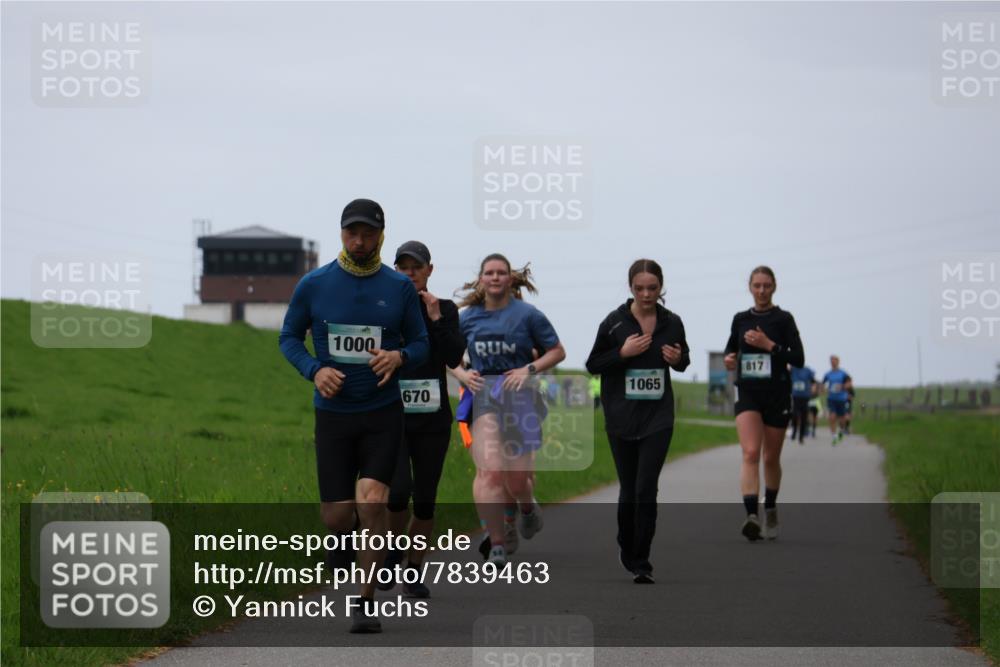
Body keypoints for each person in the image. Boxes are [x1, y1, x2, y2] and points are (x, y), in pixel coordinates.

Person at [279, 198, 429, 633]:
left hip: (382, 412)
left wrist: (399, 357)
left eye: (368, 234)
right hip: (333, 415)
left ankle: (364, 603)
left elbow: (421, 344)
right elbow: (289, 337)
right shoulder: (314, 284)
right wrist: (315, 369)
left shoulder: (398, 288)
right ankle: (341, 537)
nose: (359, 242)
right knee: (337, 515)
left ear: (381, 236)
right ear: (341, 233)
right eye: (352, 233)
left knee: (373, 500)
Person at [450, 254, 566, 566]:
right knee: (489, 471)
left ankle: (526, 507)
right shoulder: (468, 318)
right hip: (484, 396)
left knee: (516, 480)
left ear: (510, 278)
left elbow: (557, 351)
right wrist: (462, 374)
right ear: (481, 279)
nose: (495, 277)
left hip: (520, 396)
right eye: (489, 272)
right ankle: (497, 542)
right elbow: (447, 356)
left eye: (501, 272)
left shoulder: (528, 315)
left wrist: (529, 369)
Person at [585, 259, 689, 583]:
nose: (646, 294)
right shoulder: (614, 323)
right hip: (621, 416)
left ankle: (642, 561)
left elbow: (684, 360)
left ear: (661, 287)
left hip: (658, 417)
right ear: (630, 287)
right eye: (639, 288)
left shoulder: (672, 323)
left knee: (646, 488)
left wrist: (678, 359)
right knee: (629, 489)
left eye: (652, 288)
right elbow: (593, 364)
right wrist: (622, 353)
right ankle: (626, 542)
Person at [375, 241, 465, 599]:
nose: (410, 273)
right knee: (398, 492)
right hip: (392, 416)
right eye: (403, 267)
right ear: (395, 271)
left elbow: (454, 357)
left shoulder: (445, 309)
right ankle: (391, 552)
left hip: (432, 420)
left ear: (429, 270)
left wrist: (436, 319)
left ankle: (413, 570)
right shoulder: (385, 309)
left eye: (417, 267)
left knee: (425, 500)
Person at [724, 266, 804, 542]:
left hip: (777, 393)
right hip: (748, 392)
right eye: (757, 285)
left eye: (766, 285)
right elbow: (731, 349)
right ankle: (752, 516)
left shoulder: (784, 319)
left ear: (774, 287)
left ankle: (769, 507)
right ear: (749, 287)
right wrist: (730, 359)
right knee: (750, 453)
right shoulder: (740, 319)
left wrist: (769, 344)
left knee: (770, 458)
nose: (761, 291)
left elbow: (798, 358)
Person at [822, 356, 853, 444]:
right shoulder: (828, 374)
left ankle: (841, 431)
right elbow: (823, 384)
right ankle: (834, 436)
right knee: (832, 416)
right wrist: (824, 389)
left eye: (834, 361)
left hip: (842, 399)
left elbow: (850, 383)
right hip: (831, 398)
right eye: (831, 361)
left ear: (838, 362)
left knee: (842, 418)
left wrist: (843, 386)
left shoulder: (843, 373)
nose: (833, 363)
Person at [789, 364, 815, 445]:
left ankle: (801, 436)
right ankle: (794, 431)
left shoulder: (808, 370)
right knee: (795, 414)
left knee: (804, 416)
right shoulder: (793, 369)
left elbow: (813, 381)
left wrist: (812, 389)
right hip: (795, 396)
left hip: (805, 396)